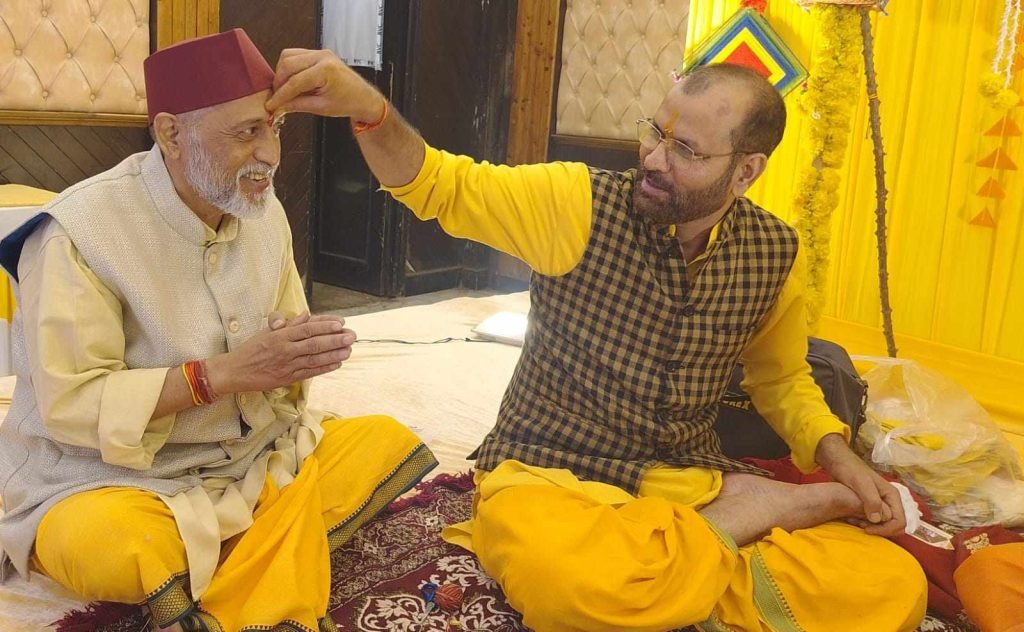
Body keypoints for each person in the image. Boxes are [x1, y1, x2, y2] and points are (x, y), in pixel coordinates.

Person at [266, 49, 927, 631]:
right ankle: (731, 532)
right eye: (655, 132)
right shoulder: (577, 203)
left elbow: (780, 381)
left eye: (686, 150)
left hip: (681, 481)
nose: (654, 159)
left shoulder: (774, 253)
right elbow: (438, 183)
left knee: (893, 584)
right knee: (566, 582)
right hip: (551, 479)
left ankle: (671, 564)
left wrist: (842, 461)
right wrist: (370, 110)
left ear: (746, 171)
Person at [0, 30, 436, 631]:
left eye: (274, 127)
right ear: (170, 134)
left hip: (251, 456)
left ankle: (233, 555)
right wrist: (221, 375)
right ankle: (271, 555)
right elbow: (72, 403)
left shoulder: (260, 207)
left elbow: (282, 342)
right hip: (116, 479)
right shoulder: (77, 235)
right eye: (247, 132)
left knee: (383, 442)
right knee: (113, 544)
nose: (271, 154)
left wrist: (298, 352)